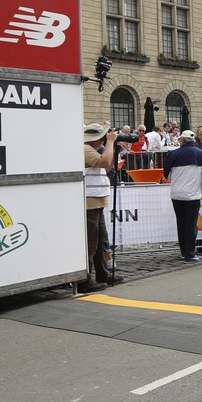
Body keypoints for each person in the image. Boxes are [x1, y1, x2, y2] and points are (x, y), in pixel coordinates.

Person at [162, 129, 202, 263]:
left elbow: (166, 173)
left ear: (182, 140)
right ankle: (189, 253)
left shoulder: (173, 153)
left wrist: (175, 179)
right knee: (191, 224)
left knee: (181, 223)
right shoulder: (201, 153)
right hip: (192, 194)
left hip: (176, 193)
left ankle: (184, 251)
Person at [82, 123, 117, 291]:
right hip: (89, 201)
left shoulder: (91, 149)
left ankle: (103, 273)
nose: (104, 140)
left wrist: (111, 146)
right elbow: (104, 162)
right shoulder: (84, 149)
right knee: (91, 242)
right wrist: (110, 142)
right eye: (102, 137)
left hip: (96, 200)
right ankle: (85, 279)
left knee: (101, 240)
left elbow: (108, 165)